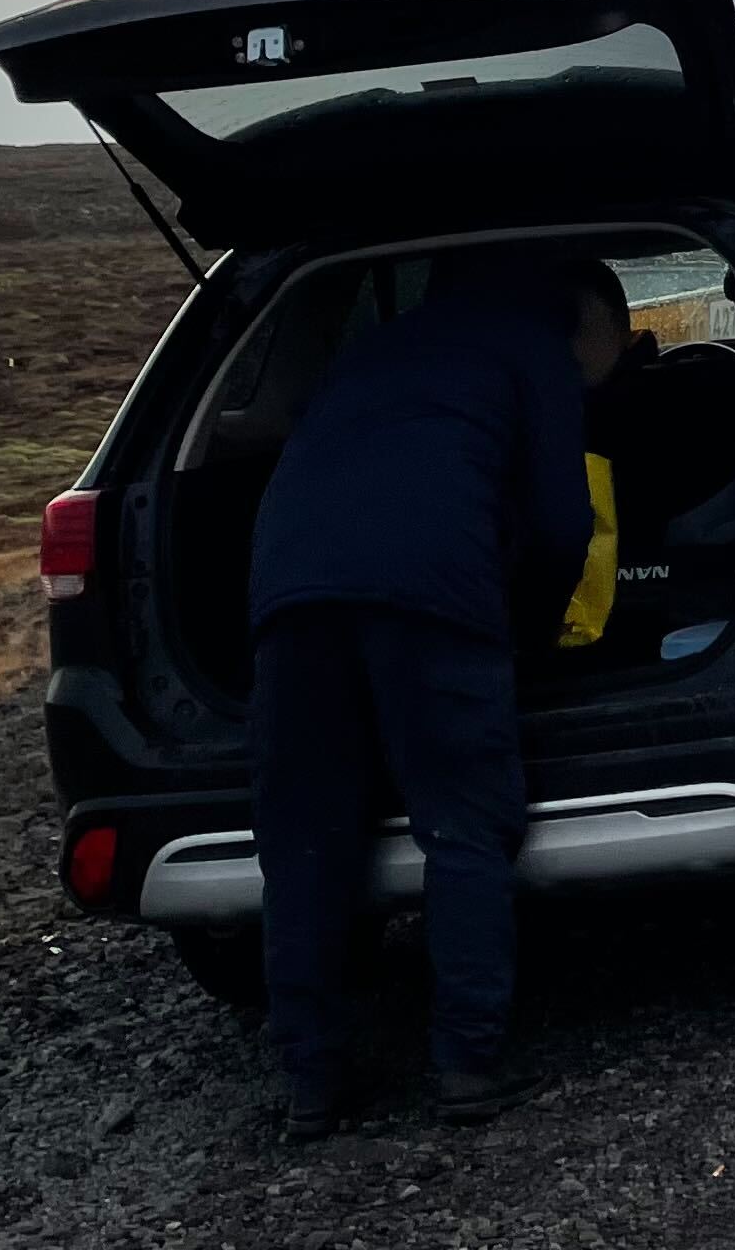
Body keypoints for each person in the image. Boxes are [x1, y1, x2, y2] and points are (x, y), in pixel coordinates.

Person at [247, 252, 632, 1137]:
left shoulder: (374, 350)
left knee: (303, 841)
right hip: (432, 596)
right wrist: (528, 637)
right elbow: (566, 520)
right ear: (584, 318)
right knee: (463, 824)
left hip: (290, 599)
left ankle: (312, 1083)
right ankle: (466, 1063)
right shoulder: (534, 348)